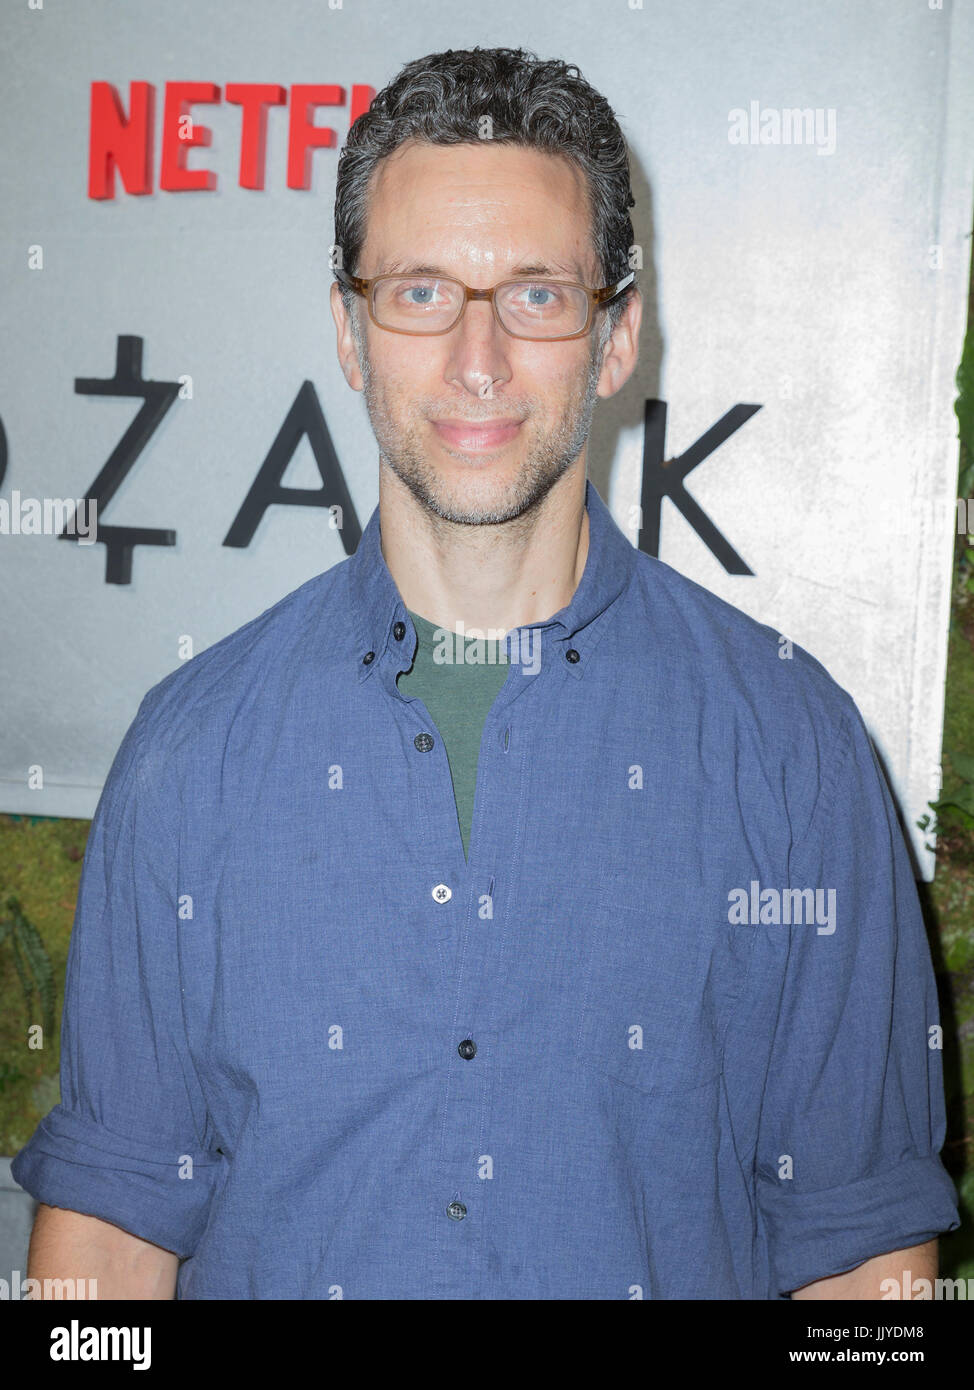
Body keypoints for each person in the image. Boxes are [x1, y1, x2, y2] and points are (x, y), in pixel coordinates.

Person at [13, 46, 959, 1300]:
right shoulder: (189, 753)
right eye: (417, 292)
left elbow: (864, 1266)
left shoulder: (792, 749)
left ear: (616, 335)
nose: (475, 360)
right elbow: (107, 1245)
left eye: (532, 296)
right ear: (350, 332)